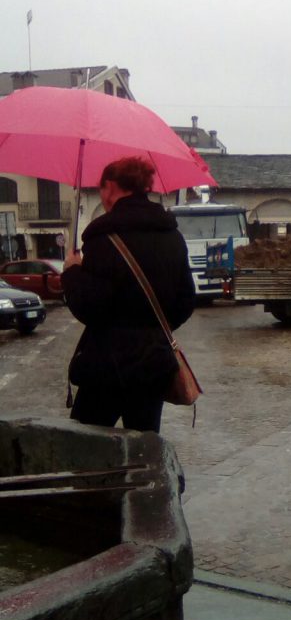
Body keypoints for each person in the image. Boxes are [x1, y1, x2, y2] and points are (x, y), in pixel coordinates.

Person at [62, 156, 196, 432]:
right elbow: (185, 302)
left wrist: (73, 273)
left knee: (85, 449)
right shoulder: (173, 237)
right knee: (145, 452)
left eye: (101, 189)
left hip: (105, 368)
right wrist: (151, 329)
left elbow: (88, 307)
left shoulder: (102, 240)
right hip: (153, 365)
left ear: (110, 187)